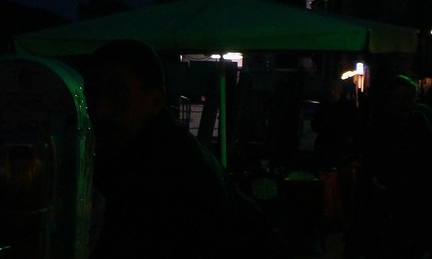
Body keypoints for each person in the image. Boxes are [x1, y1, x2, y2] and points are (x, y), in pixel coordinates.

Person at [83, 39, 285, 257]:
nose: (100, 110)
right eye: (91, 97)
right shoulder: (146, 155)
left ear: (156, 100)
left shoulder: (174, 171)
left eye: (118, 94)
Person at [346, 75, 432, 258]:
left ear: (415, 101)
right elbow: (365, 189)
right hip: (386, 226)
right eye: (397, 98)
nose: (402, 104)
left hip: (422, 223)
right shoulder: (378, 140)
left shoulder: (431, 140)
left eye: (407, 98)